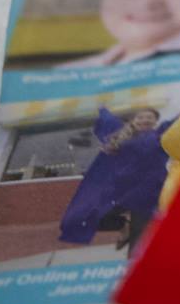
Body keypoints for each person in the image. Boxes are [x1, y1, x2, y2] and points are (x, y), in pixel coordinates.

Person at [57, 106, 169, 256]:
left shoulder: (161, 137)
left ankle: (136, 264)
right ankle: (123, 226)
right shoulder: (120, 138)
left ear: (155, 121)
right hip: (121, 192)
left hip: (148, 193)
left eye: (149, 117)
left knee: (138, 239)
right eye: (140, 117)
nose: (144, 120)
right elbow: (109, 162)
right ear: (133, 121)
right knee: (89, 216)